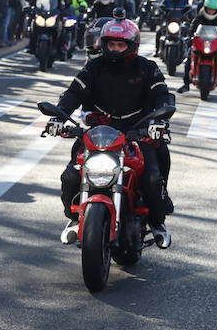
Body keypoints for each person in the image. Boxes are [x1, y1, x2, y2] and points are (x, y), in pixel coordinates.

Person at [46, 19, 174, 249]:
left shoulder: (147, 67)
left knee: (153, 177)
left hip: (138, 133)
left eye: (120, 45)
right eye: (110, 44)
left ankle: (157, 222)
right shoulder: (94, 66)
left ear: (132, 45)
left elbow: (162, 95)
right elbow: (74, 92)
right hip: (99, 133)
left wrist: (159, 121)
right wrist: (59, 116)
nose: (114, 49)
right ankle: (74, 217)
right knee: (71, 176)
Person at [178, 0, 217, 93]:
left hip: (214, 44)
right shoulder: (199, 17)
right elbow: (192, 29)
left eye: (213, 10)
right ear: (205, 8)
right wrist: (190, 38)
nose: (211, 11)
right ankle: (186, 84)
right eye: (209, 9)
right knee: (189, 59)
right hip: (200, 43)